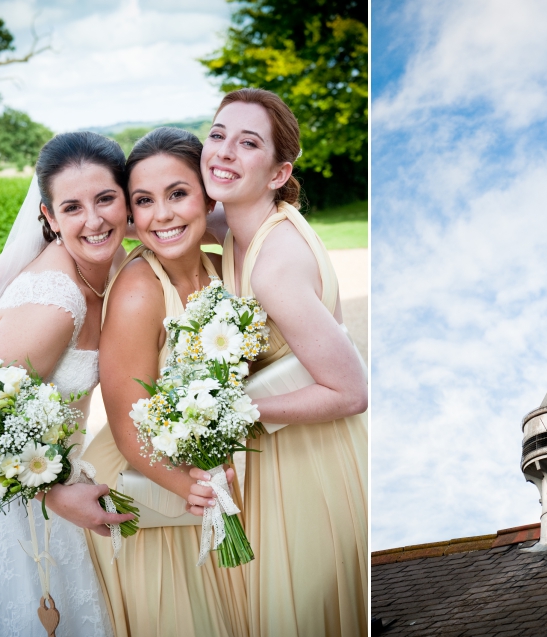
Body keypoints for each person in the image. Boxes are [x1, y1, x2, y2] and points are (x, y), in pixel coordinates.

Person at [192, 88, 368, 637]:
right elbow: (158, 218)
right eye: (217, 135)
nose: (223, 152)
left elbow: (350, 391)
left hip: (311, 461)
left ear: (277, 172)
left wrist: (231, 413)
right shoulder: (237, 222)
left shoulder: (275, 265)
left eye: (248, 143)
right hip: (284, 449)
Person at [0, 132, 136, 636]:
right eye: (72, 207)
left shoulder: (110, 260)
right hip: (4, 500)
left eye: (105, 199)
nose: (93, 221)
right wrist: (53, 496)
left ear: (127, 200)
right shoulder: (55, 304)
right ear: (48, 218)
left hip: (53, 480)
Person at [82, 127, 248, 637]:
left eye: (178, 194)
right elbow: (128, 424)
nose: (164, 215)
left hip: (214, 468)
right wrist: (192, 488)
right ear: (131, 217)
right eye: (144, 202)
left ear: (205, 193)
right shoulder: (138, 291)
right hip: (154, 482)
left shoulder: (226, 269)